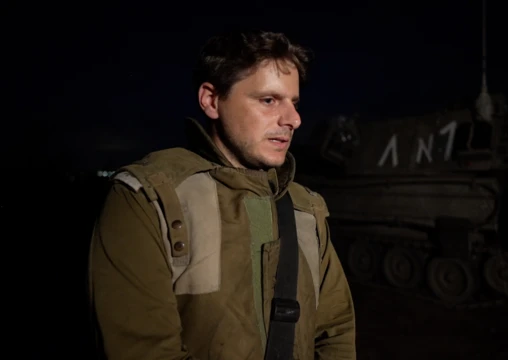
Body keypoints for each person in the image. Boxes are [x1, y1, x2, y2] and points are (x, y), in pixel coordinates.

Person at [88, 30, 357, 360]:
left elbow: (336, 331)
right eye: (269, 100)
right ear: (212, 100)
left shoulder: (306, 208)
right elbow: (142, 350)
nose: (294, 120)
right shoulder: (148, 197)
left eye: (294, 102)